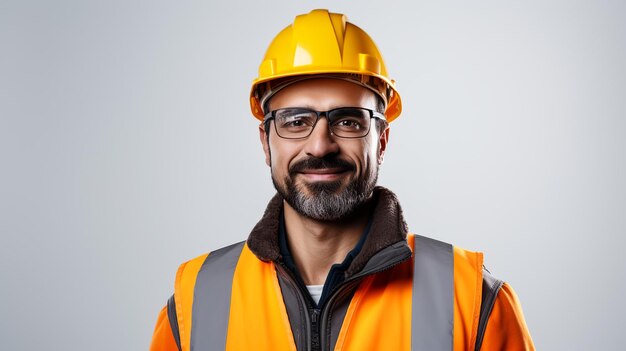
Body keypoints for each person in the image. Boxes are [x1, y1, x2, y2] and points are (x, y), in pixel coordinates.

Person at [150, 9, 534, 351]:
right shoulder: (196, 302)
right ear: (266, 142)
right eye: (295, 121)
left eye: (348, 121)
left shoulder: (470, 299)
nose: (320, 145)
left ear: (381, 141)